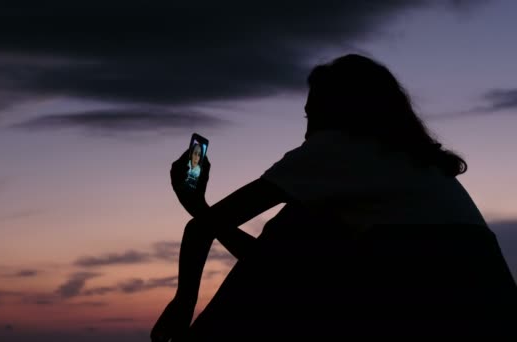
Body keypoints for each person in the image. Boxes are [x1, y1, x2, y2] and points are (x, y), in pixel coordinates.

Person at [150, 54, 517, 341]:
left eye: (312, 116)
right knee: (302, 225)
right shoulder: (415, 163)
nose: (307, 131)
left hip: (428, 311)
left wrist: (183, 307)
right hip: (490, 316)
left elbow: (204, 233)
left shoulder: (335, 149)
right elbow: (278, 268)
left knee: (292, 222)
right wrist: (201, 208)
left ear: (340, 113)